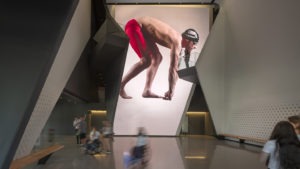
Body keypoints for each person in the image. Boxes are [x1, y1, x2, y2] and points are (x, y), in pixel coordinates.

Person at [120, 16, 199, 100]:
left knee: (157, 58)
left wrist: (171, 89)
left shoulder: (178, 43)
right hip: (134, 25)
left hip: (145, 32)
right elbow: (173, 69)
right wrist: (171, 91)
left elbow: (178, 70)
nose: (194, 47)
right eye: (194, 44)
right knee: (146, 61)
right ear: (189, 40)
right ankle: (120, 86)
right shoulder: (177, 42)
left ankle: (147, 90)